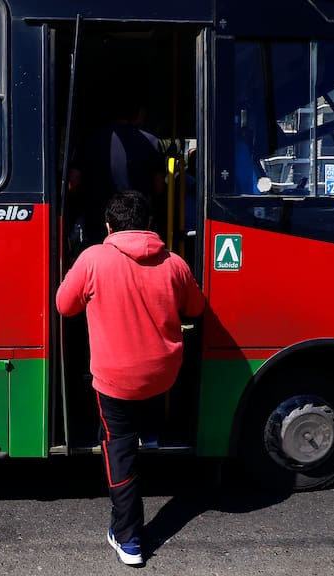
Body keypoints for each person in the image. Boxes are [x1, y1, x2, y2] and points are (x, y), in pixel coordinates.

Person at [55, 189, 205, 566]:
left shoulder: (93, 258)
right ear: (150, 225)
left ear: (108, 225)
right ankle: (150, 430)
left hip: (116, 381)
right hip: (162, 375)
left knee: (118, 448)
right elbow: (196, 307)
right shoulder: (174, 263)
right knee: (142, 409)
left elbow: (64, 305)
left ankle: (129, 538)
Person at [67, 92, 166, 250]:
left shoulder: (88, 141)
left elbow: (73, 183)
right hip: (137, 222)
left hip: (97, 222)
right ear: (138, 113)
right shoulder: (151, 142)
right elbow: (159, 187)